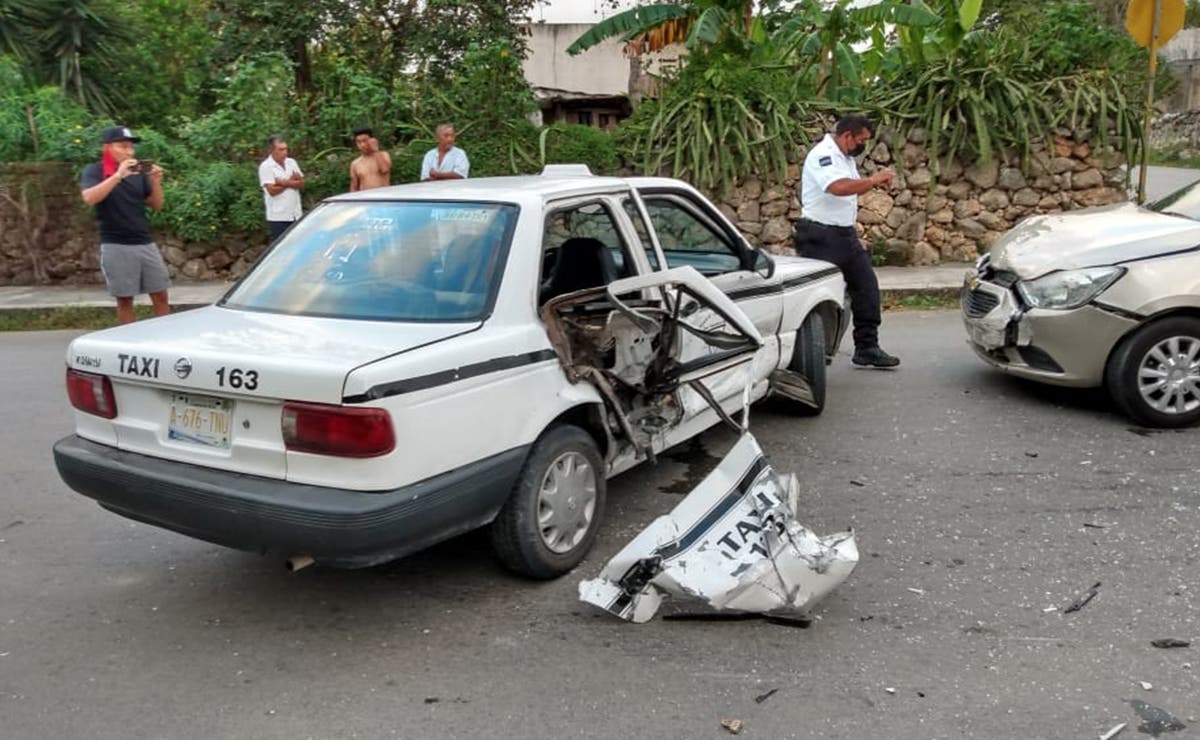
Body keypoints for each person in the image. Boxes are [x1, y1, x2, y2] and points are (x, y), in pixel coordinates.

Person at [795, 114, 900, 369]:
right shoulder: (824, 155)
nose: (863, 146)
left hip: (844, 236)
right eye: (861, 140)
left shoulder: (845, 157)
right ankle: (808, 353)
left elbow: (850, 185)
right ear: (847, 136)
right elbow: (838, 187)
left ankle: (867, 347)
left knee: (867, 288)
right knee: (819, 299)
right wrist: (873, 180)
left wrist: (871, 184)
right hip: (820, 237)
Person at [79, 125, 170, 325]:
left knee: (161, 294)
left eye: (131, 147)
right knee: (125, 300)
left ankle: (165, 336)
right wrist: (118, 175)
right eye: (123, 146)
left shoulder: (139, 174)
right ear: (106, 148)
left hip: (145, 242)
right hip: (116, 244)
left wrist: (155, 182)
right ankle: (128, 339)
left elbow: (156, 205)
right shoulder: (94, 170)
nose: (129, 152)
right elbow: (89, 198)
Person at [258, 135, 304, 243]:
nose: (285, 152)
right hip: (278, 217)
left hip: (296, 214)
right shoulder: (266, 166)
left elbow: (301, 183)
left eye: (286, 149)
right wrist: (290, 181)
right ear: (271, 150)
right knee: (281, 246)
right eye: (281, 149)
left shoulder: (291, 162)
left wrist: (282, 182)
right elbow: (272, 191)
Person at [349, 127, 392, 191]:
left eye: (365, 140)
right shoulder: (355, 163)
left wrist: (375, 150)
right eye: (359, 142)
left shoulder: (384, 155)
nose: (362, 145)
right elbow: (354, 187)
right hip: (365, 196)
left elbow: (385, 169)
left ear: (372, 140)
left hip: (384, 195)